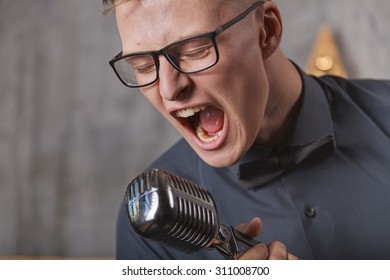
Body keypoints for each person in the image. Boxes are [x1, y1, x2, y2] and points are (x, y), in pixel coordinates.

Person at [103, 0, 390, 260]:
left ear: (267, 30)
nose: (168, 89)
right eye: (142, 66)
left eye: (196, 50)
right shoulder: (151, 225)